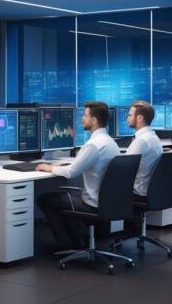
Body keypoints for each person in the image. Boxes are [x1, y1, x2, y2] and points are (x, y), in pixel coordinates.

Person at [36, 101, 119, 253]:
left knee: (45, 199)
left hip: (92, 203)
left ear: (94, 120)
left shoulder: (93, 145)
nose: (82, 119)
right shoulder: (110, 142)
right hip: (108, 201)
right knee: (67, 197)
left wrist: (49, 167)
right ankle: (77, 241)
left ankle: (65, 244)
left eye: (85, 115)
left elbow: (71, 172)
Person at [123, 101, 163, 233]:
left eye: (130, 115)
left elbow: (124, 168)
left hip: (138, 192)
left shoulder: (141, 141)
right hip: (154, 191)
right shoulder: (153, 137)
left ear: (139, 118)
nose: (127, 118)